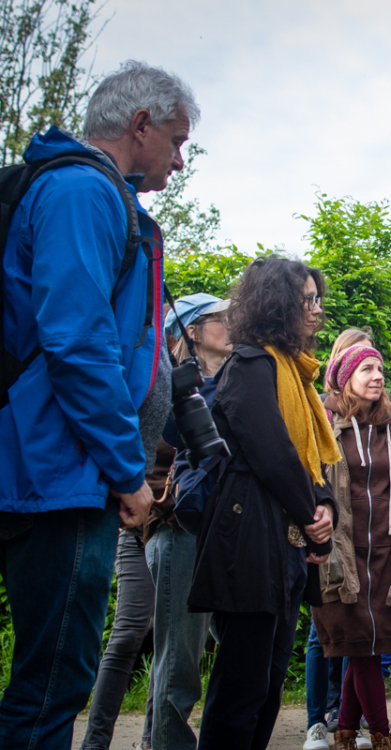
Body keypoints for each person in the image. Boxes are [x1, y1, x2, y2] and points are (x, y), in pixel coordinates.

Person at [0, 60, 198, 748]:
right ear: (139, 125)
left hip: (49, 467)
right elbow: (78, 343)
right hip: (54, 473)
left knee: (49, 676)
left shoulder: (82, 191)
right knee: (53, 681)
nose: (179, 159)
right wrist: (125, 472)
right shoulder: (84, 192)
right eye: (176, 140)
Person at [187, 256, 338, 749]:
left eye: (318, 299)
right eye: (307, 300)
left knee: (269, 683)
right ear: (277, 304)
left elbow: (307, 458)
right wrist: (309, 514)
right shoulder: (252, 363)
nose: (317, 311)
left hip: (284, 542)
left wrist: (325, 507)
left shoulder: (296, 371)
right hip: (249, 537)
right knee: (241, 685)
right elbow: (271, 452)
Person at [314, 341, 391, 750]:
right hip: (340, 549)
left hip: (385, 550)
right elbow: (311, 479)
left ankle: (345, 730)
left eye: (380, 369)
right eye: (367, 370)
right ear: (346, 379)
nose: (378, 377)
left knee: (369, 643)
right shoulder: (324, 422)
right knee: (361, 644)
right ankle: (381, 734)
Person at [145, 292, 231, 750]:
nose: (232, 325)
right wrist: (179, 392)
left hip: (224, 534)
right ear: (193, 331)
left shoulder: (237, 379)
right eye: (222, 319)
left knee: (231, 651)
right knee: (178, 664)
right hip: (179, 532)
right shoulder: (166, 383)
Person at [308, 328, 374, 750]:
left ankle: (346, 714)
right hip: (330, 534)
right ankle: (317, 719)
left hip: (368, 540)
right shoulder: (322, 412)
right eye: (362, 362)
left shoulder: (379, 418)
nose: (375, 372)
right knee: (322, 634)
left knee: (358, 631)